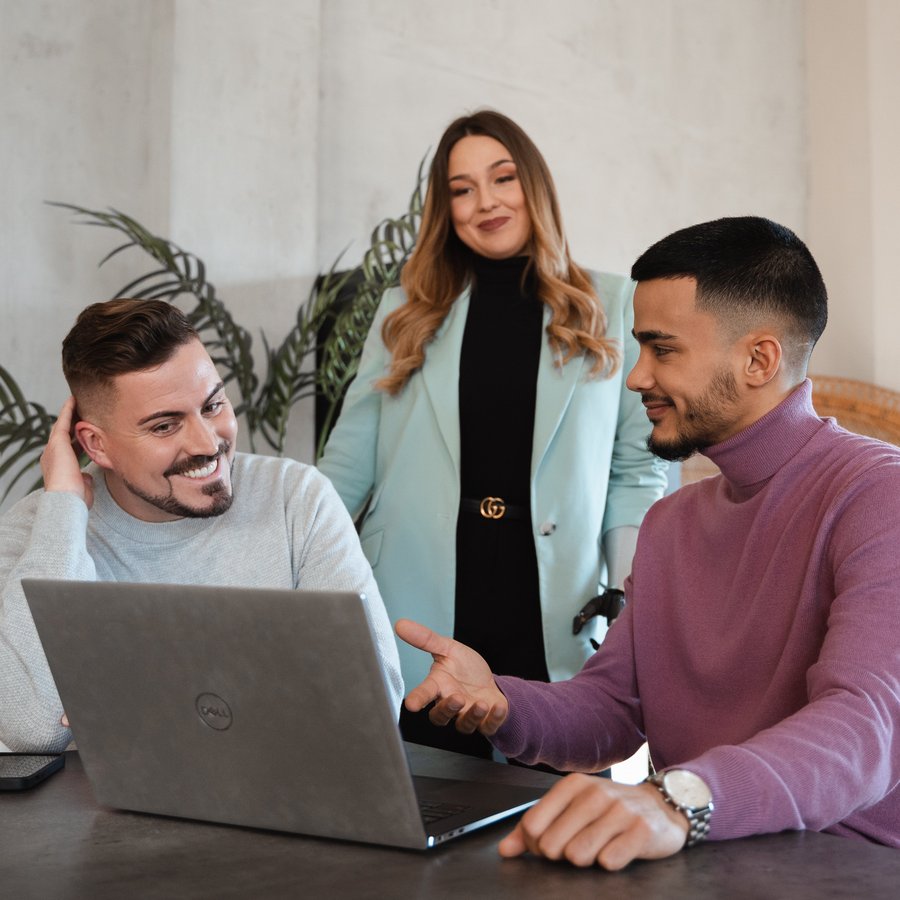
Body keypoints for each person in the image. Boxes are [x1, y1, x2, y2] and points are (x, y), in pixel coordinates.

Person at [395, 216, 900, 866]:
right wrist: (501, 699)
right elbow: (612, 708)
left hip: (845, 871)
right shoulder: (670, 524)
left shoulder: (879, 495)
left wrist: (678, 799)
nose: (636, 378)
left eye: (662, 350)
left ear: (759, 359)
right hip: (700, 859)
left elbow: (869, 727)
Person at [318, 110, 667, 758]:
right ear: (445, 208)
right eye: (461, 188)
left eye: (502, 178)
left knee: (549, 800)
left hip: (554, 598)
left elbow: (635, 470)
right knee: (423, 796)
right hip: (416, 595)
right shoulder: (406, 310)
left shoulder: (615, 303)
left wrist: (630, 589)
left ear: (534, 185)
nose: (485, 202)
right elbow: (349, 458)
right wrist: (294, 568)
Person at [0, 298, 402, 753]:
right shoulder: (41, 529)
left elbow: (371, 711)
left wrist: (133, 700)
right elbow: (33, 729)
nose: (208, 443)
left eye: (213, 406)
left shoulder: (298, 499)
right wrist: (65, 511)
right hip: (102, 821)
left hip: (281, 812)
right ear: (96, 445)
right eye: (165, 426)